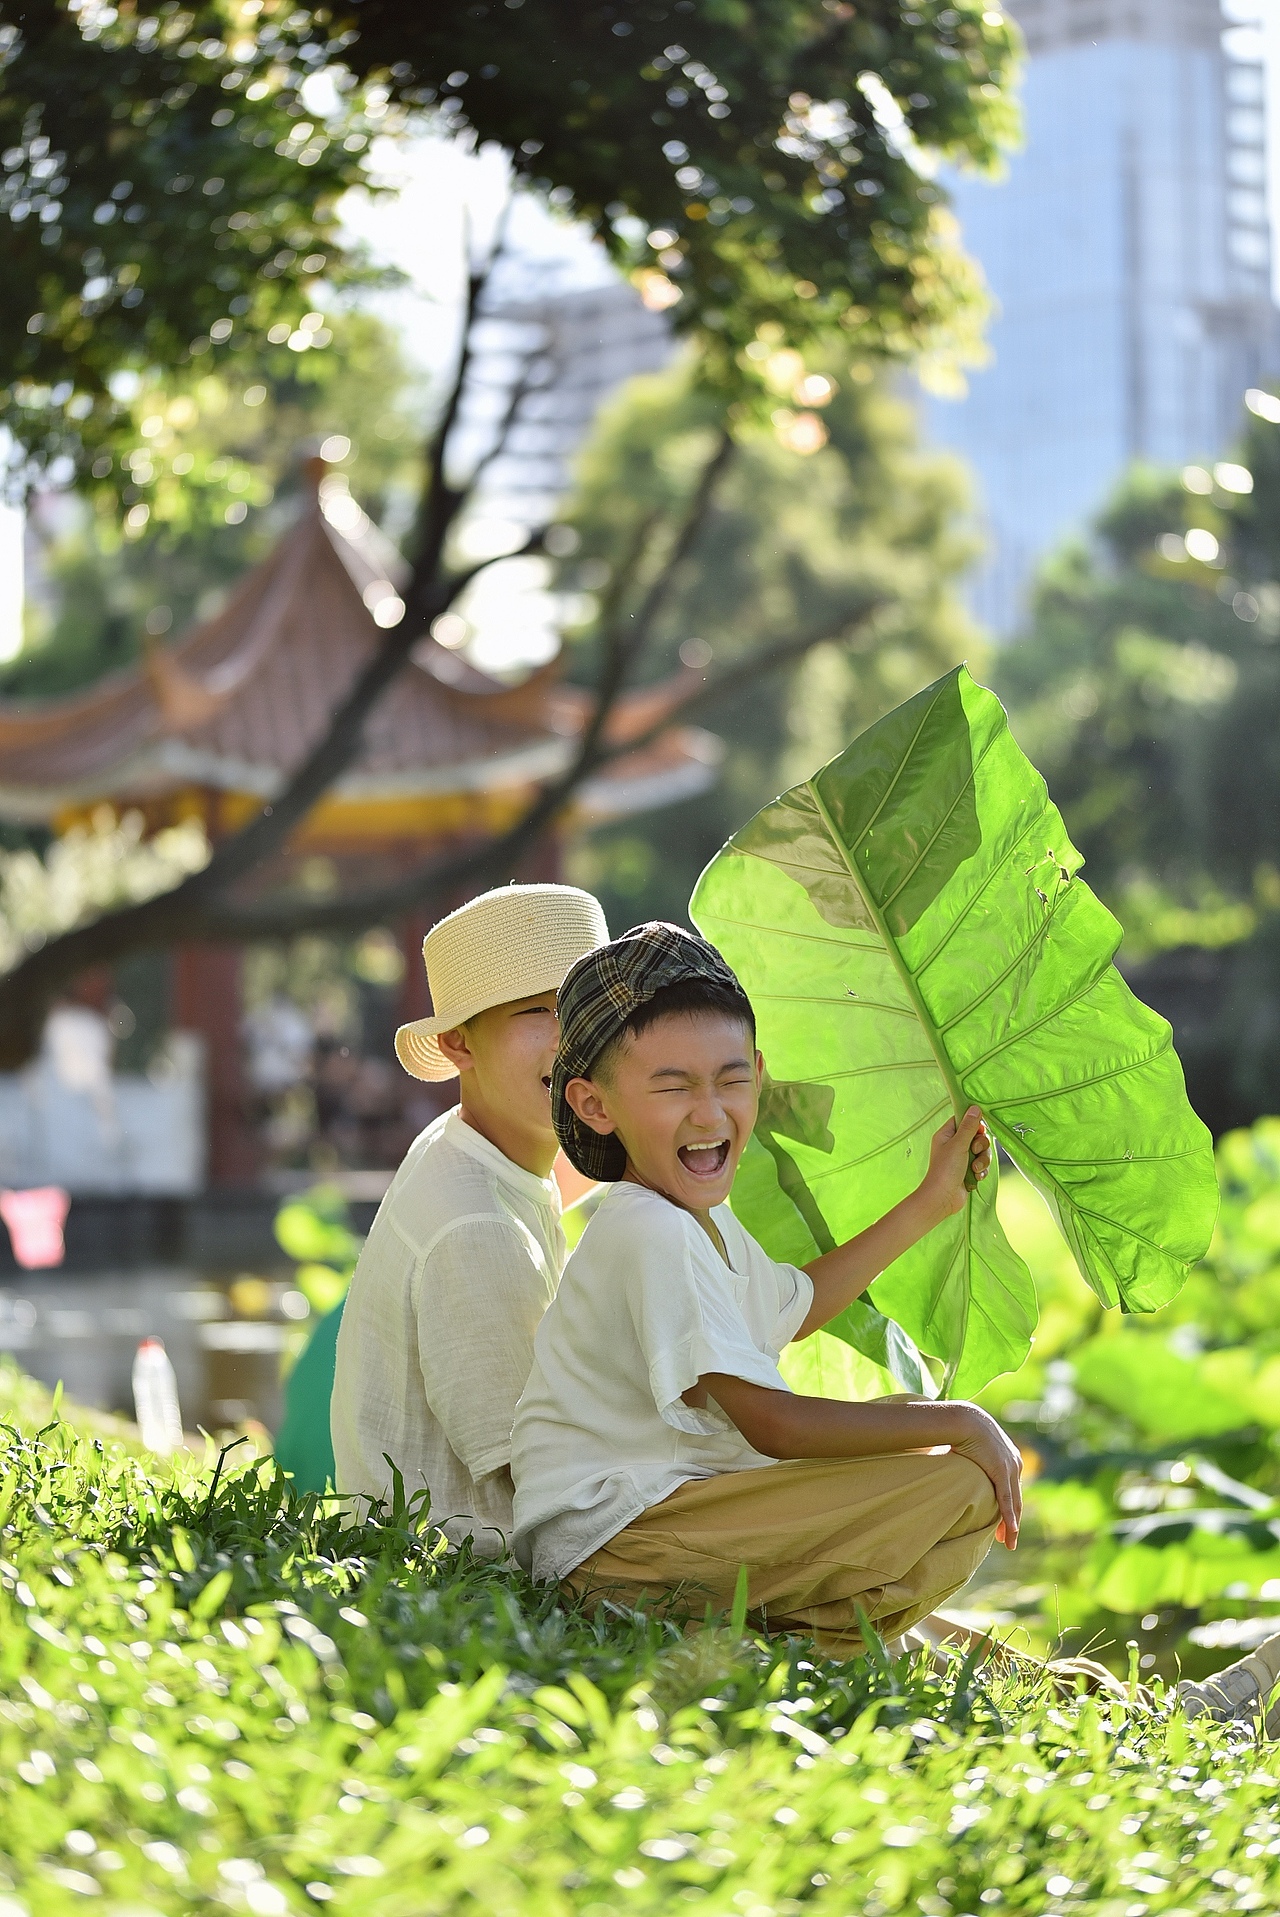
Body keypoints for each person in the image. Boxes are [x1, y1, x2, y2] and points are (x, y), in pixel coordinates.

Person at [510, 922, 1021, 1652]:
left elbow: (795, 1306)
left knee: (925, 1442)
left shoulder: (692, 1217)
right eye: (672, 1086)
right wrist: (963, 1419)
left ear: (757, 1071)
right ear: (596, 1105)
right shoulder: (650, 1229)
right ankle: (808, 1639)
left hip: (667, 1518)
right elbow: (772, 1425)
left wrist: (929, 1203)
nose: (710, 1113)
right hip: (616, 1545)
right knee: (961, 1481)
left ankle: (785, 1635)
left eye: (731, 1080)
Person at [330, 882, 608, 1552]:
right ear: (459, 1043)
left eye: (589, 1007)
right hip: (474, 1557)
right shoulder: (477, 1228)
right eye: (537, 1011)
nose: (573, 1038)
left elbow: (580, 1175)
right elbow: (541, 1473)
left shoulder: (474, 1143)